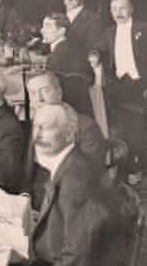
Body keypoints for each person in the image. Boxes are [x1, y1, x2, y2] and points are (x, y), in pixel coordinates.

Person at [94, 0, 147, 183]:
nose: (118, 13)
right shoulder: (108, 33)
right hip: (122, 86)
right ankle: (132, 165)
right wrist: (94, 55)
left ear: (131, 10)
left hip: (146, 84)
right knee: (121, 121)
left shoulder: (145, 30)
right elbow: (98, 49)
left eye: (122, 8)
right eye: (114, 9)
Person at [25, 104, 106, 266]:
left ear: (69, 135)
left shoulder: (76, 179)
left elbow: (79, 252)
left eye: (46, 128)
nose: (36, 136)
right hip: (46, 248)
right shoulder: (66, 162)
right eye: (36, 126)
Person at [28, 72, 107, 177]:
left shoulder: (85, 127)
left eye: (45, 91)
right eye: (33, 93)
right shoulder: (31, 127)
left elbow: (91, 175)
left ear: (59, 92)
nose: (39, 99)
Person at [40, 13, 94, 116]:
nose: (42, 30)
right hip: (81, 108)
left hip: (64, 112)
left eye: (47, 26)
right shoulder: (71, 49)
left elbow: (50, 91)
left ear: (61, 31)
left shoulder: (56, 56)